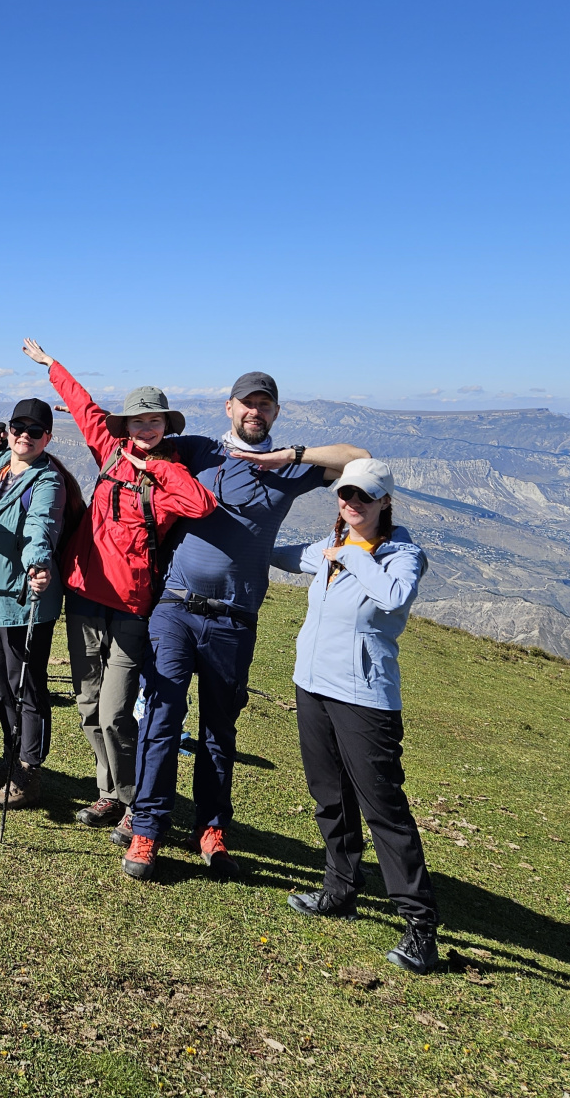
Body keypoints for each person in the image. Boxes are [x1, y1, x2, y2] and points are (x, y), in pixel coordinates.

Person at [118, 372, 369, 881]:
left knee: (218, 730)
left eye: (265, 405)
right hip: (176, 606)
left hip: (234, 618)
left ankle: (211, 828)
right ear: (229, 407)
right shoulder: (198, 449)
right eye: (247, 404)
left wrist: (289, 457)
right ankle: (147, 827)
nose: (256, 411)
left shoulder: (290, 470)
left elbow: (359, 459)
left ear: (275, 413)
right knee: (162, 716)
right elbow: (136, 439)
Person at [21, 338, 216, 829]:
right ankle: (107, 792)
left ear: (165, 426)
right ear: (125, 426)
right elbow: (84, 408)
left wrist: (151, 466)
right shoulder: (109, 450)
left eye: (154, 421)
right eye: (138, 421)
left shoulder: (170, 472)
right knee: (87, 704)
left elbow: (202, 505)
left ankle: (133, 803)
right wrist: (53, 366)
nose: (145, 428)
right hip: (83, 593)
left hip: (131, 606)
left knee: (115, 711)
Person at [270, 458, 439, 973]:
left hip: (365, 698)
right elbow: (279, 556)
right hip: (313, 688)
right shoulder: (329, 550)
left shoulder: (401, 555)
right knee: (329, 796)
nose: (352, 504)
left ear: (385, 501)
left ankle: (420, 928)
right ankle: (339, 887)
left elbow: (395, 595)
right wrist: (240, 543)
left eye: (364, 497)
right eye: (345, 495)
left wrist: (352, 554)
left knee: (384, 809)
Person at [0, 398, 67, 809]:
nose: (24, 435)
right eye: (17, 427)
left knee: (25, 683)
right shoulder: (0, 464)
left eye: (34, 430)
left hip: (22, 596)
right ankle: (11, 760)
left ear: (48, 437)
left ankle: (28, 773)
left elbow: (41, 525)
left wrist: (38, 563)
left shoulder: (47, 481)